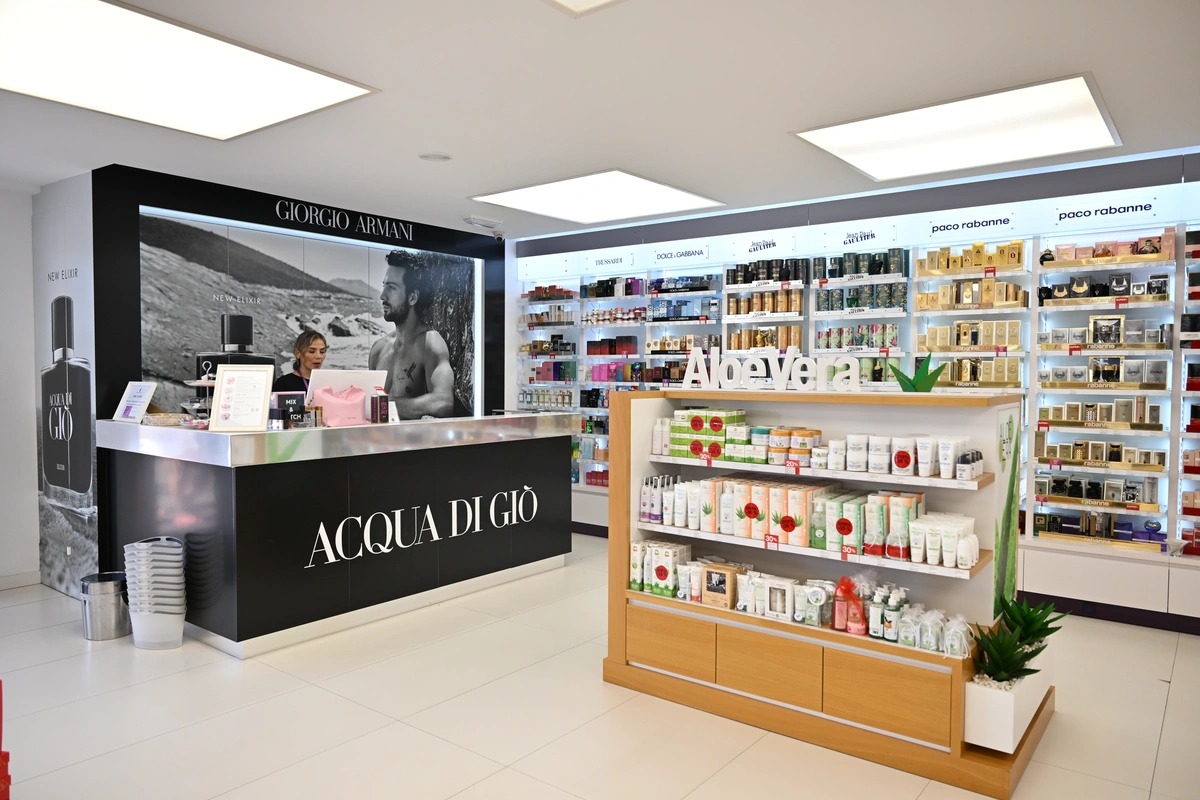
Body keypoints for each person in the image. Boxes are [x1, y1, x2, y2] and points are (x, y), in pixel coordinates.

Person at [369, 249, 454, 419]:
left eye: (391, 288)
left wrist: (385, 405)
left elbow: (444, 402)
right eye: (384, 285)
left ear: (412, 297)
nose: (382, 296)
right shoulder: (378, 349)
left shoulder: (429, 343)